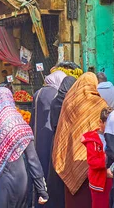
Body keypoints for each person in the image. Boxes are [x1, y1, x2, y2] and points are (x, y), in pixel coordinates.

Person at [52, 73, 108, 208]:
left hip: (70, 157)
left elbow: (63, 130)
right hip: (92, 158)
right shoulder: (99, 103)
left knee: (74, 201)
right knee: (90, 199)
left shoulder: (68, 102)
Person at [46, 76, 77, 208]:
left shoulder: (55, 102)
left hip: (57, 140)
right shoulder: (74, 102)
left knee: (56, 175)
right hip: (71, 141)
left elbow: (53, 124)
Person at [31, 69, 67, 182]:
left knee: (39, 160)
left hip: (38, 133)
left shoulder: (38, 93)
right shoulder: (58, 94)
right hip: (52, 132)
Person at [81, 107, 113, 208]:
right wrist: (108, 159)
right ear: (100, 122)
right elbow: (93, 161)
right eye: (109, 124)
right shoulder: (93, 140)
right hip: (100, 183)